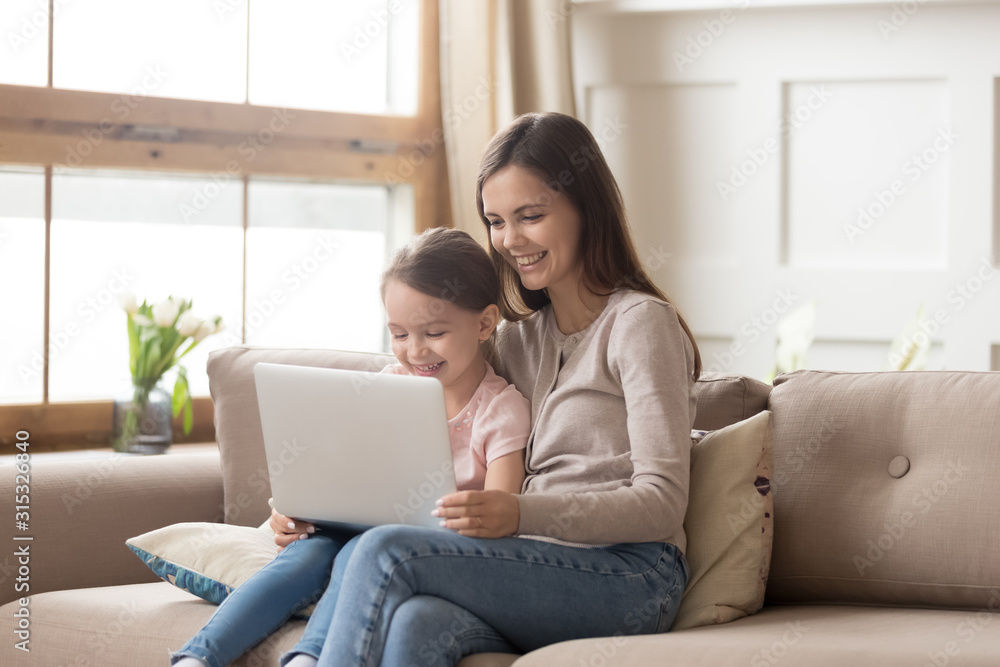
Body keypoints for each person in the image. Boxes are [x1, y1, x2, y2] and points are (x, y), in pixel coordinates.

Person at [270, 111, 703, 667]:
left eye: (530, 216)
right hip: (526, 563)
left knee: (384, 552)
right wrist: (306, 511)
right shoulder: (514, 340)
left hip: (633, 573)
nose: (510, 240)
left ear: (586, 209)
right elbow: (402, 434)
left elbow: (662, 505)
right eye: (496, 221)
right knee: (416, 623)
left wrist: (519, 514)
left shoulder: (641, 324)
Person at [171, 227, 531, 667]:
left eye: (433, 333)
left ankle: (309, 657)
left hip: (424, 555)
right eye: (399, 335)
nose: (415, 351)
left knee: (359, 555)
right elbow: (335, 472)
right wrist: (290, 510)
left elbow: (499, 519)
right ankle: (198, 658)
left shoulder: (501, 410)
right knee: (305, 556)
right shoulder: (386, 388)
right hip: (351, 529)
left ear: (484, 323)